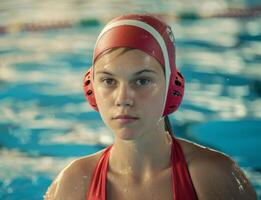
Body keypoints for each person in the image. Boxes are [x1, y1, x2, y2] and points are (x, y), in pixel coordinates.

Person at [44, 14, 257, 200]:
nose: (123, 98)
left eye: (142, 81)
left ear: (172, 87)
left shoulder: (213, 176)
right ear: (91, 88)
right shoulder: (73, 184)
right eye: (109, 81)